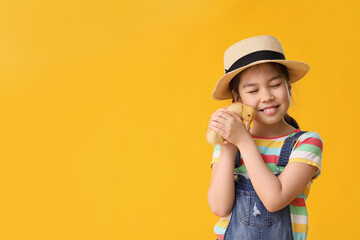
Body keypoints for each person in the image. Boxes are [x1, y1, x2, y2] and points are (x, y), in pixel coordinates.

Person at [207, 35, 323, 240]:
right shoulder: (229, 145)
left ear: (288, 86)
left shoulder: (305, 143)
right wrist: (228, 148)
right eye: (253, 90)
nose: (267, 96)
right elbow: (219, 207)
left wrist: (244, 141)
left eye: (275, 84)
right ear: (237, 98)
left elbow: (274, 199)